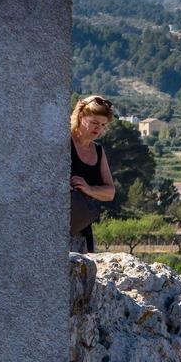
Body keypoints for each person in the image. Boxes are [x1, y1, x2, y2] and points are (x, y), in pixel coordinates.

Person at [69, 95, 116, 253]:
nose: (98, 128)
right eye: (94, 122)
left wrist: (89, 189)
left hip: (82, 229)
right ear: (81, 117)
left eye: (103, 125)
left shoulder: (98, 150)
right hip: (56, 226)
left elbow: (110, 193)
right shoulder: (63, 142)